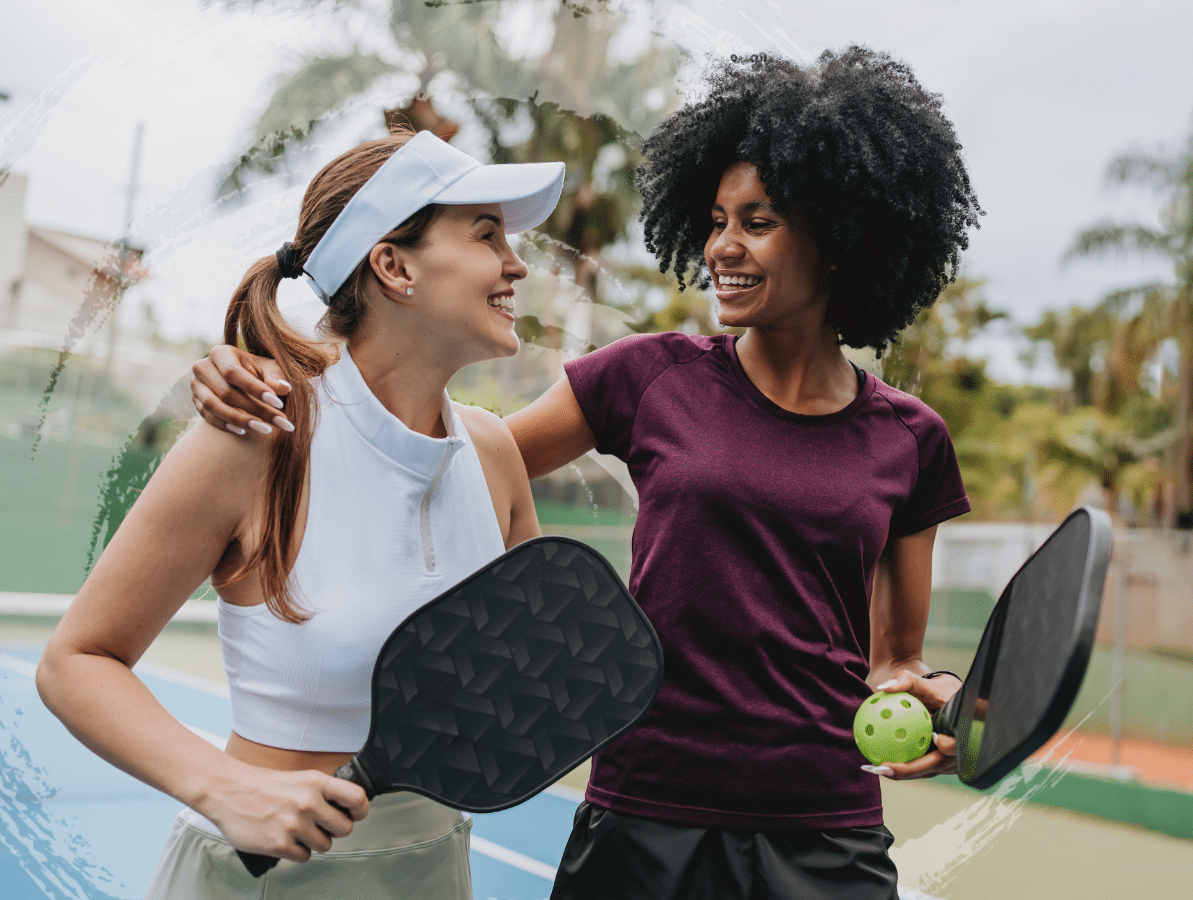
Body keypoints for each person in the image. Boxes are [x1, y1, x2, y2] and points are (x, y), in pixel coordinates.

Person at [190, 47, 981, 900]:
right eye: (716, 219)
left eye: (757, 222)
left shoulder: (914, 439)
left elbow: (892, 660)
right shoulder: (646, 376)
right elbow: (440, 462)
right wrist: (281, 378)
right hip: (643, 812)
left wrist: (931, 695)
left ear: (840, 237)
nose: (722, 246)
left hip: (826, 822)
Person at [37, 127, 564, 898]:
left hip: (432, 868)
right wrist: (225, 787)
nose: (516, 264)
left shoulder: (493, 455)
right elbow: (75, 662)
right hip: (261, 878)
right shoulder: (255, 439)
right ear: (394, 266)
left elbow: (524, 683)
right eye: (488, 236)